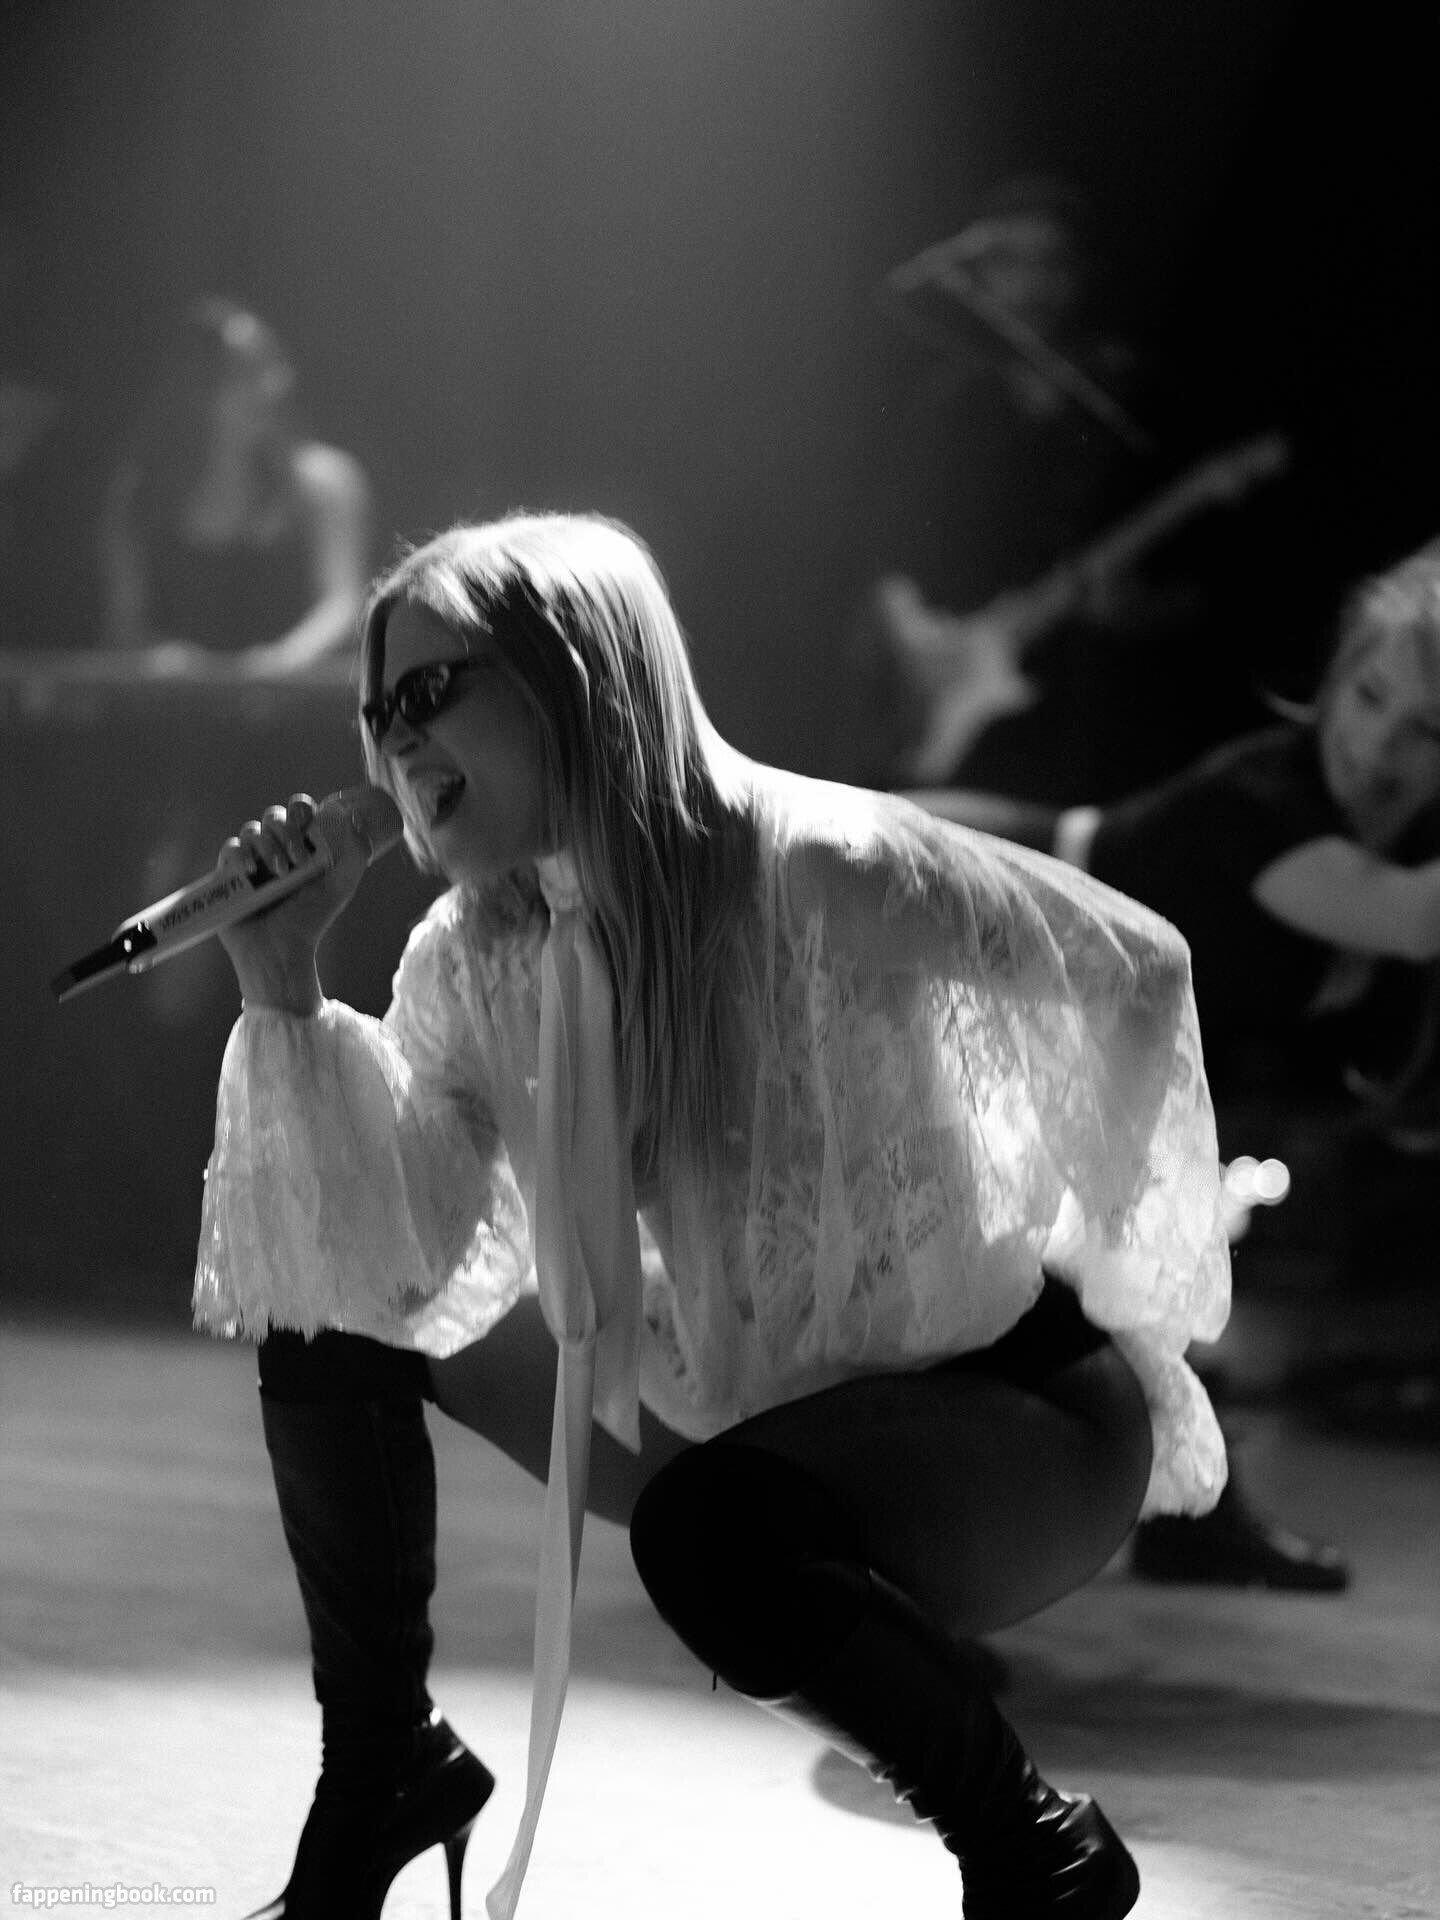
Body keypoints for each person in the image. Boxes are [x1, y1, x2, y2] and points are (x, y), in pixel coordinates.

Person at [193, 512, 1230, 1918]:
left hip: (1007, 1421)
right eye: (378, 713)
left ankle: (1037, 1851)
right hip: (743, 1411)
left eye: (430, 691)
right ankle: (384, 1767)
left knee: (710, 1532)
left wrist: (1126, 1274)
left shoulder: (818, 866)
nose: (397, 742)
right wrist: (281, 981)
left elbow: (1139, 968)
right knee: (332, 1318)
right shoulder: (472, 958)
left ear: (576, 675)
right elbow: (400, 1251)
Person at [912, 538, 1440, 1589]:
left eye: (1425, 729)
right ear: (1334, 683)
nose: (1377, 747)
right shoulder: (1267, 807)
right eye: (1368, 697)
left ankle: (1184, 1514)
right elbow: (1417, 922)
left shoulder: (1364, 830)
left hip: (1081, 1020)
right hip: (980, 915)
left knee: (1128, 1267)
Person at [835, 174, 1290, 806]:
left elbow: (1225, 583)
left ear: (1083, 275)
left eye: (1051, 263)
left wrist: (1145, 613)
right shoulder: (951, 403)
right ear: (979, 276)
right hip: (943, 714)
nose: (1032, 285)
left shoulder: (1133, 399)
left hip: (1078, 733)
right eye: (1009, 262)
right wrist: (917, 645)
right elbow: (886, 549)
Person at [99, 296, 370, 675]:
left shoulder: (326, 482)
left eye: (273, 366)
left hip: (298, 702)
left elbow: (343, 601)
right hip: (176, 706)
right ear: (196, 389)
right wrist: (161, 657)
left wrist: (285, 659)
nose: (272, 387)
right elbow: (125, 625)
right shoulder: (140, 494)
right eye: (244, 375)